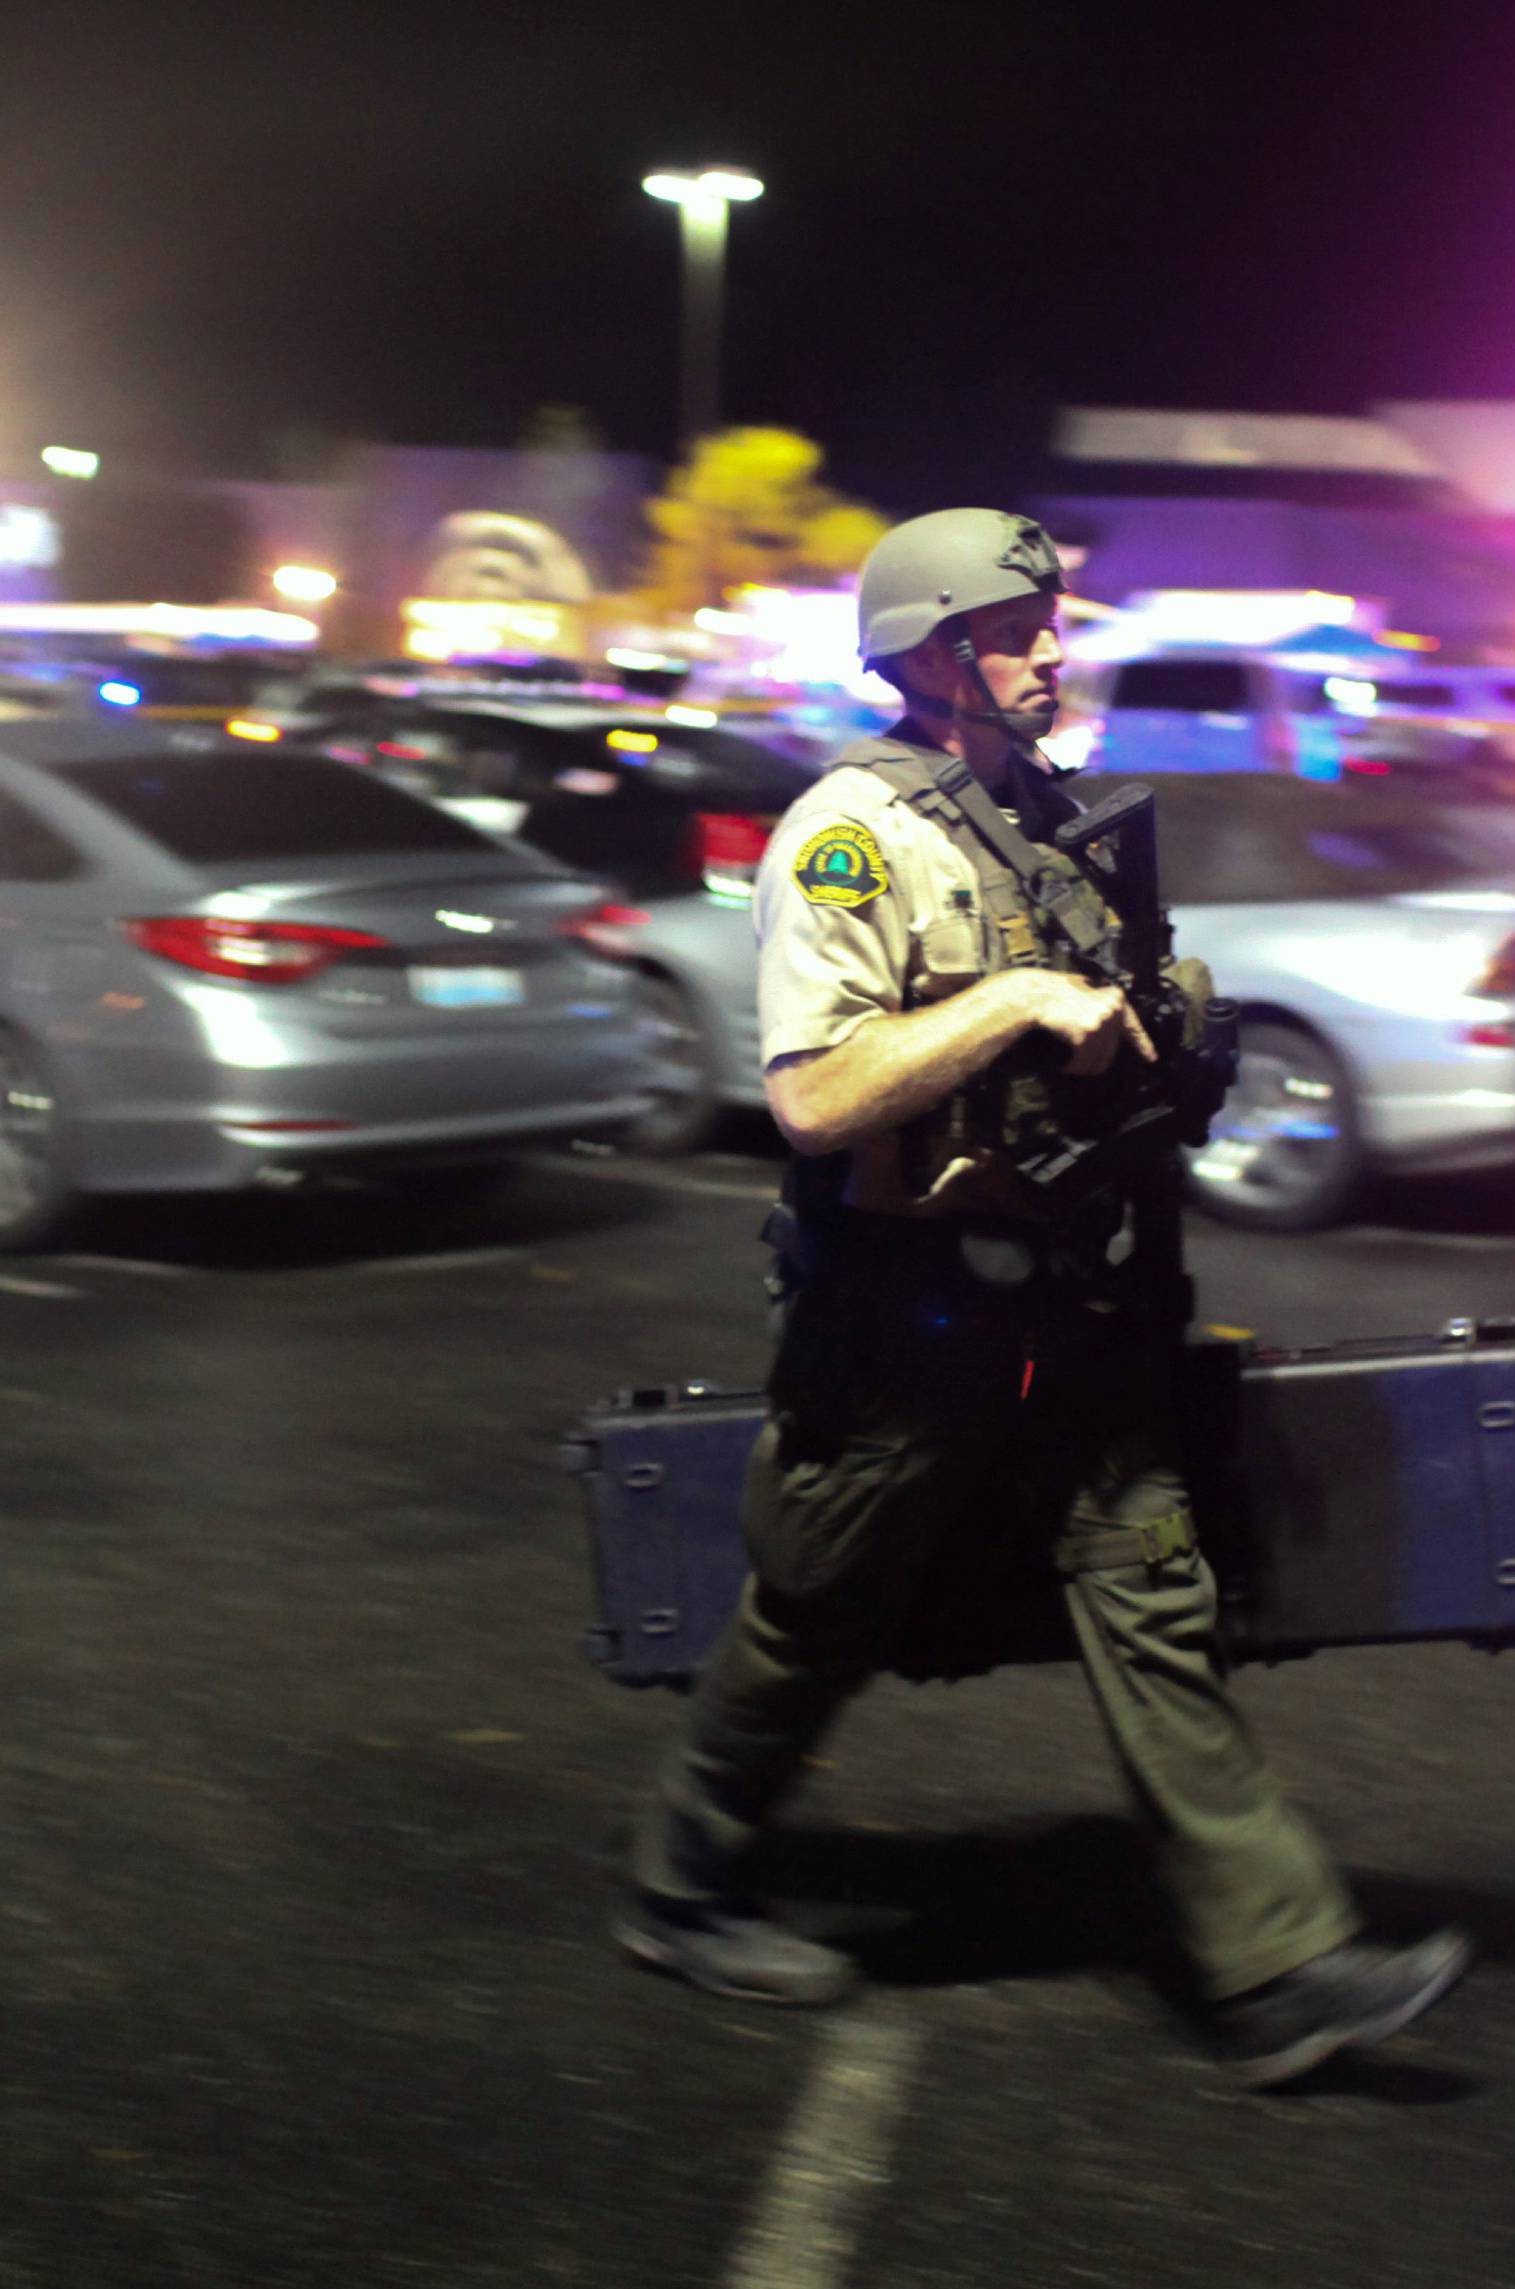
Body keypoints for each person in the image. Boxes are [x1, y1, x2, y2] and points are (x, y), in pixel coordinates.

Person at [616, 508, 1469, 2085]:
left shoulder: (1040, 817)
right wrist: (1013, 1000)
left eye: (1050, 621)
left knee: (1155, 1603)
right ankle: (682, 1884)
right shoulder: (850, 834)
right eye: (1019, 629)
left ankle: (1279, 1967)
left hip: (1072, 1312)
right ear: (933, 656)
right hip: (904, 1330)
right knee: (811, 1613)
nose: (1054, 650)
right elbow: (813, 1098)